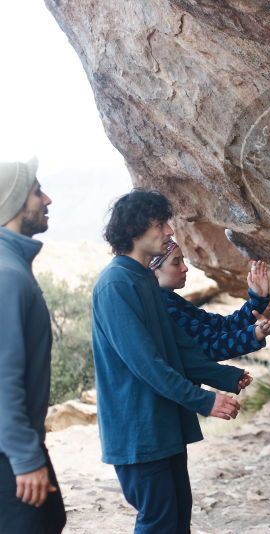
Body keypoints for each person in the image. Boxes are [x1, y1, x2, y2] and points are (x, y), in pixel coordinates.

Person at [92, 190, 252, 533]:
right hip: (139, 433)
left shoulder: (145, 280)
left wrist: (225, 378)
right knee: (159, 523)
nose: (169, 231)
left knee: (177, 519)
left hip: (163, 427)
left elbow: (178, 350)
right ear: (135, 229)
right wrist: (205, 400)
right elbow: (146, 364)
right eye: (160, 223)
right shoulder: (115, 284)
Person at [0, 157, 67, 533]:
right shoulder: (6, 275)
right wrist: (25, 459)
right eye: (37, 191)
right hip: (9, 450)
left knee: (51, 518)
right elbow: (2, 377)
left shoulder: (11, 267)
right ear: (13, 203)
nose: (48, 200)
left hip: (13, 444)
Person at [150, 239, 270, 361]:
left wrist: (257, 298)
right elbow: (209, 346)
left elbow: (224, 326)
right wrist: (256, 333)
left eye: (183, 260)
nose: (185, 268)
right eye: (176, 263)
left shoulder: (169, 299)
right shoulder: (162, 305)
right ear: (154, 270)